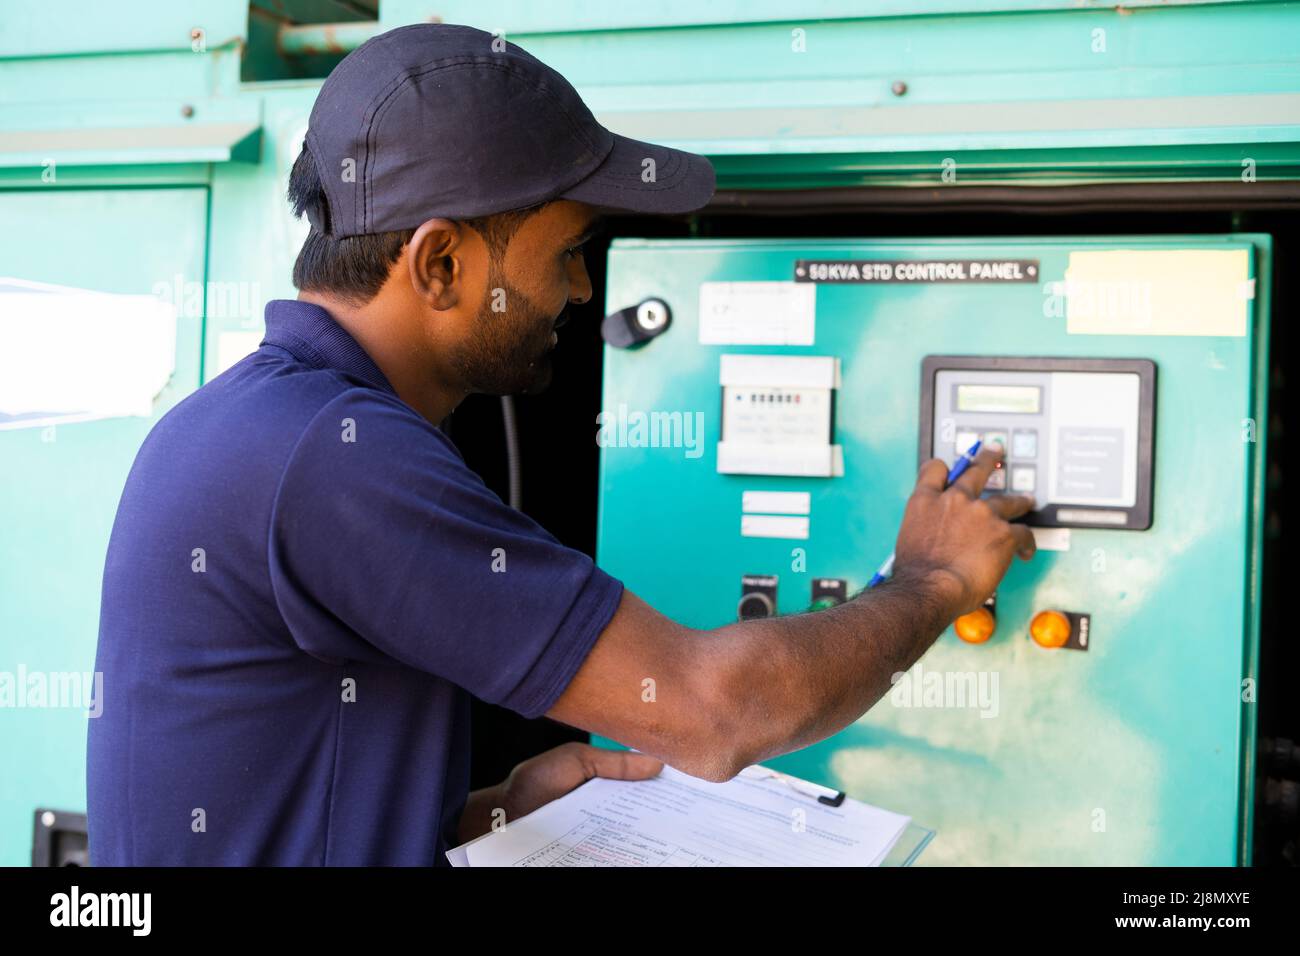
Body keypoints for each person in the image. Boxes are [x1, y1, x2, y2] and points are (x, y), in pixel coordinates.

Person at [87, 22, 1035, 866]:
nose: (584, 292)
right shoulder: (335, 455)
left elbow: (288, 806)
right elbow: (715, 711)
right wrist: (932, 581)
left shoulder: (250, 427)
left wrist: (489, 816)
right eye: (570, 250)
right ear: (441, 262)